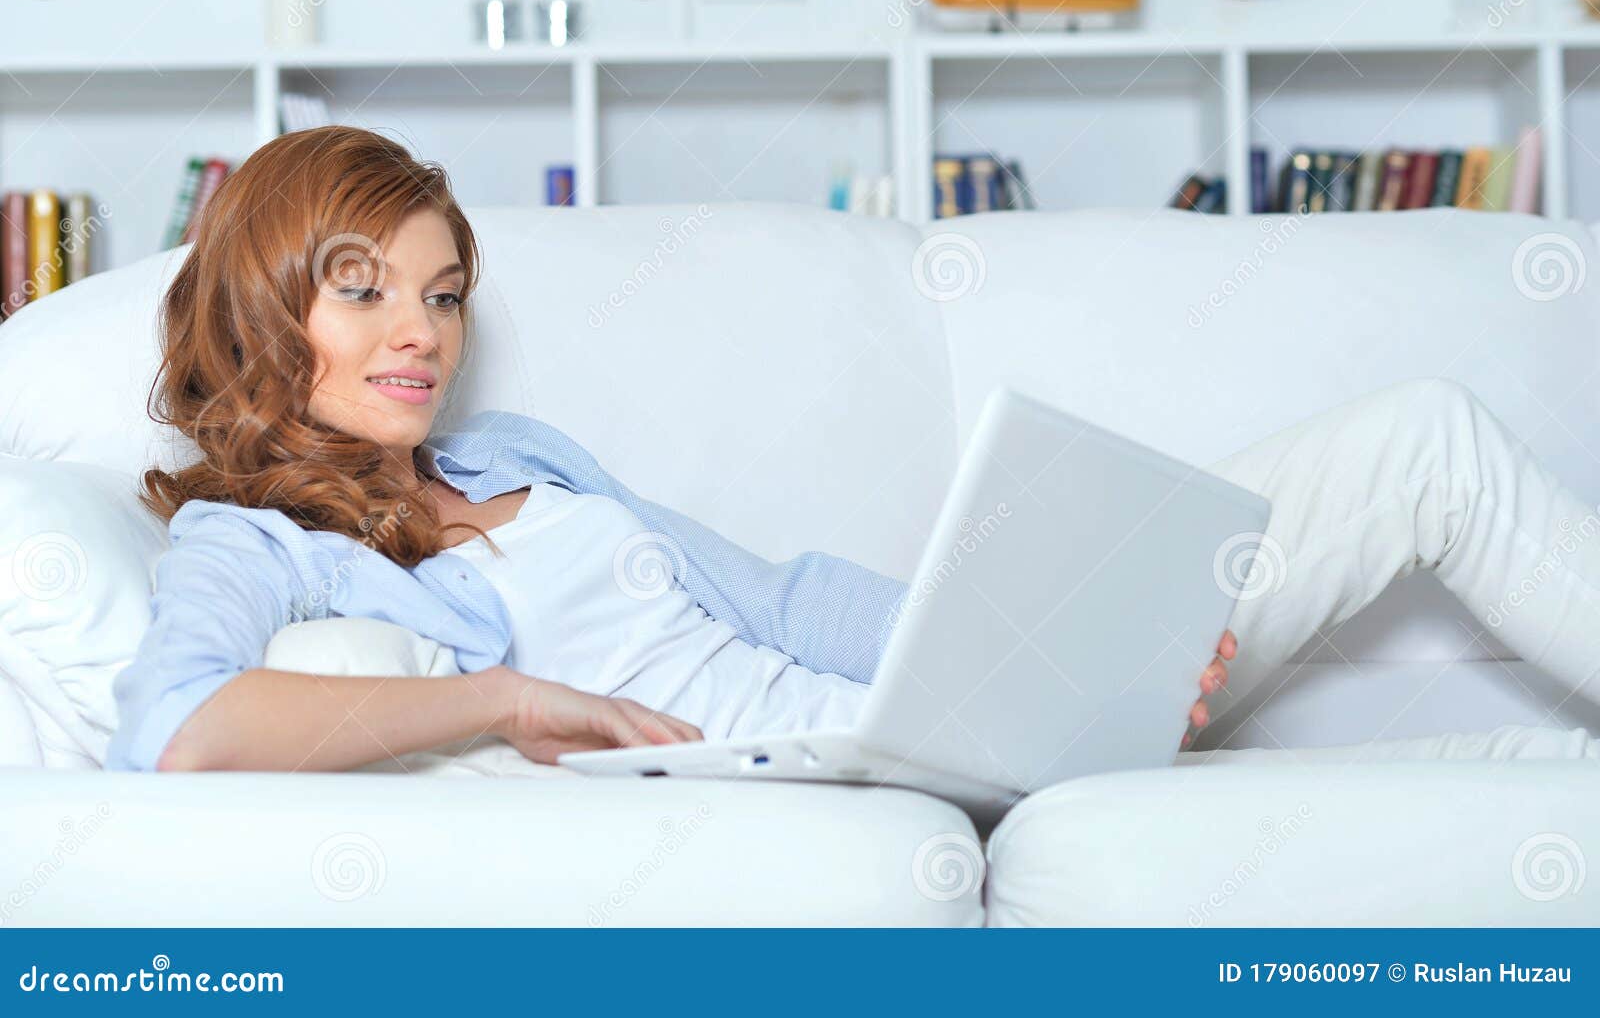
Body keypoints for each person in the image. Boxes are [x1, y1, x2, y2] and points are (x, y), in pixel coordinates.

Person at [106, 127, 1600, 775]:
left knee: (1420, 441)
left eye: (440, 293)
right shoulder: (253, 538)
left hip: (945, 702)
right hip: (845, 770)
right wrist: (504, 701)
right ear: (262, 296)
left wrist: (1059, 637)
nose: (418, 332)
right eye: (361, 289)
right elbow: (176, 734)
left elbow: (786, 599)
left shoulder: (512, 457)